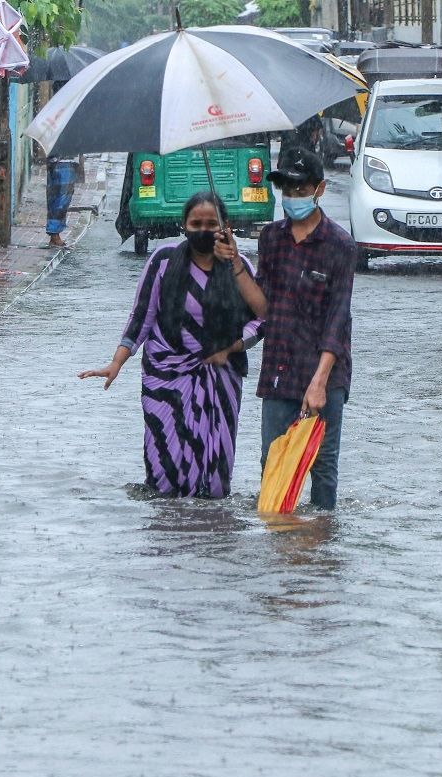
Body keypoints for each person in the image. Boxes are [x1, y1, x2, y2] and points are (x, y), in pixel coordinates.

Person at [79, 192, 267, 499]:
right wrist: (116, 363)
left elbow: (262, 318)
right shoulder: (163, 262)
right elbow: (142, 315)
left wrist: (232, 348)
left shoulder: (239, 267)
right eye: (196, 224)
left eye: (211, 224)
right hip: (164, 378)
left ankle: (211, 524)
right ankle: (167, 522)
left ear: (225, 227)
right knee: (163, 470)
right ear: (184, 225)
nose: (203, 230)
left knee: (215, 478)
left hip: (220, 377)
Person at [257, 146, 355, 510]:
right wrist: (233, 263)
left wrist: (319, 382)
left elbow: (338, 319)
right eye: (287, 189)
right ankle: (278, 538)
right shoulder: (270, 239)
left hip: (324, 375)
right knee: (274, 463)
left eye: (301, 189)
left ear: (320, 189)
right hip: (279, 370)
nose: (293, 197)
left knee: (322, 467)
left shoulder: (340, 245)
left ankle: (322, 538)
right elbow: (260, 306)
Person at [45, 153, 79, 248]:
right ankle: (54, 234)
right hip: (62, 163)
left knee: (58, 198)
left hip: (60, 161)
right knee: (60, 200)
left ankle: (55, 233)